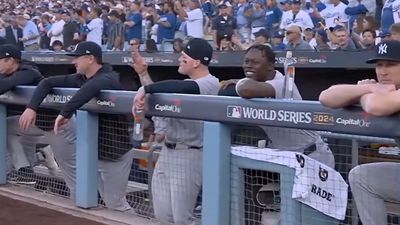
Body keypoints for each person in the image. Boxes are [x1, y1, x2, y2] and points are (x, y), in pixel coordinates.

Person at [18, 41, 134, 211]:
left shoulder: (109, 77)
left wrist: (65, 112)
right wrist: (31, 107)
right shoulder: (81, 78)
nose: (74, 62)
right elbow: (47, 83)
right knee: (102, 200)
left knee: (116, 204)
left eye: (77, 58)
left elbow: (92, 87)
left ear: (90, 59)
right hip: (95, 151)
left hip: (115, 152)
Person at [131, 38, 220, 224]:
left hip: (190, 153)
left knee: (182, 218)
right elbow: (162, 98)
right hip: (167, 152)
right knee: (163, 215)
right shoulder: (186, 84)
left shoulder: (210, 83)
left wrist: (145, 88)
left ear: (196, 62)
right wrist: (144, 74)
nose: (180, 59)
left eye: (184, 57)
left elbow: (182, 87)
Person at [319, 40, 400, 225]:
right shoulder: (383, 90)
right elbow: (326, 96)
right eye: (379, 65)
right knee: (362, 177)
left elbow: (375, 105)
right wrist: (368, 88)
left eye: (391, 64)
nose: (383, 71)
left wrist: (366, 94)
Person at [221, 44, 335, 168]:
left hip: (313, 156)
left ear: (270, 65)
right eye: (246, 61)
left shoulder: (283, 83)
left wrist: (239, 82)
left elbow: (246, 89)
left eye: (255, 62)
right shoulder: (259, 82)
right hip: (286, 157)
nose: (249, 65)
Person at [0, 44, 57, 183]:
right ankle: (29, 167)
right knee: (6, 129)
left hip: (58, 123)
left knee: (73, 170)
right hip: (33, 122)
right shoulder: (10, 72)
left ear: (10, 60)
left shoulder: (29, 72)